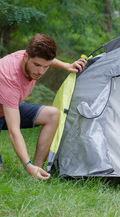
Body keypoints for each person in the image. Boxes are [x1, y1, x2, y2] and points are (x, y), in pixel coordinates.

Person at [0, 34, 86, 180]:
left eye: (45, 67)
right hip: (6, 108)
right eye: (37, 65)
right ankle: (31, 168)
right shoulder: (8, 77)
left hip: (6, 108)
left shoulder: (32, 57)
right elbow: (14, 132)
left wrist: (66, 66)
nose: (40, 72)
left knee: (52, 115)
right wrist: (26, 164)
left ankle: (37, 171)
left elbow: (46, 61)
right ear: (25, 57)